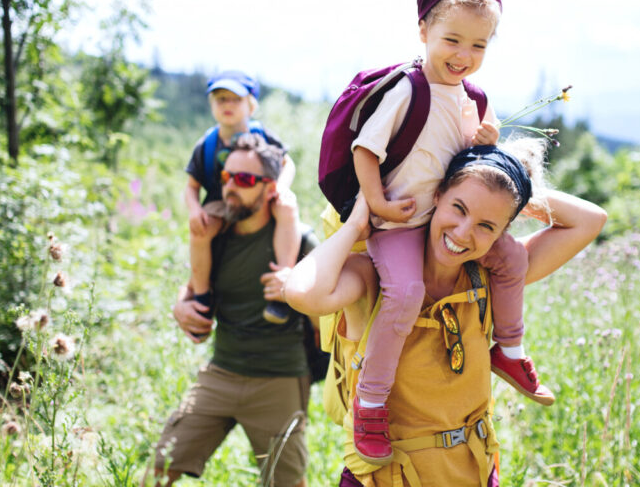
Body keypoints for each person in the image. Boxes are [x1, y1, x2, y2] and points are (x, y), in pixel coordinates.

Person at [284, 142, 607, 486]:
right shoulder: (374, 276)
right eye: (459, 207)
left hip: (474, 473)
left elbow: (589, 220)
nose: (463, 232)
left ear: (501, 233)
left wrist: (506, 186)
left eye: (487, 225)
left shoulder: (488, 279)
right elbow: (303, 293)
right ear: (435, 195)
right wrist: (354, 227)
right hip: (389, 478)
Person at [343, 0, 552, 464]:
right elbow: (365, 150)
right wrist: (376, 205)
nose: (464, 54)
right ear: (423, 32)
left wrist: (486, 136)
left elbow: (481, 145)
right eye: (452, 40)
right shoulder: (407, 90)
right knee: (406, 293)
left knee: (511, 260)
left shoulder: (471, 97)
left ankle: (510, 349)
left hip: (444, 218)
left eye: (478, 45)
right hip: (400, 222)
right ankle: (370, 402)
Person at [154, 134, 316, 487]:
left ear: (270, 188)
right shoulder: (216, 233)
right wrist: (180, 306)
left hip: (280, 378)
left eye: (244, 180)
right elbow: (197, 283)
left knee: (288, 483)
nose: (230, 188)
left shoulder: (299, 241)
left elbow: (326, 313)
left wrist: (297, 290)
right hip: (222, 372)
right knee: (159, 469)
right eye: (227, 178)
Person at [185, 70, 300, 326]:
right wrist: (194, 210)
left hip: (262, 196)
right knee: (200, 232)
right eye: (220, 99)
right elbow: (191, 186)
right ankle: (202, 296)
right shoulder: (206, 144)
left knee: (287, 208)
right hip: (221, 201)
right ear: (211, 104)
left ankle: (281, 284)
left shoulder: (264, 136)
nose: (227, 105)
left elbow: (287, 163)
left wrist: (280, 187)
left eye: (235, 99)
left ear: (251, 105)